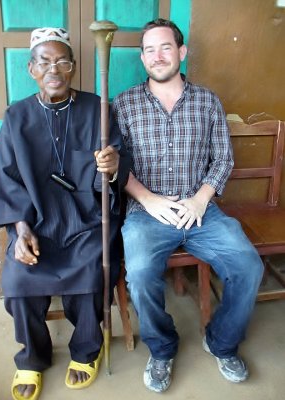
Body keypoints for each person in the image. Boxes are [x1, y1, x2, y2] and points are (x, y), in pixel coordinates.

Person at [112, 18, 264, 393]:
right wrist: (149, 200)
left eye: (165, 47)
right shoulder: (125, 103)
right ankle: (162, 348)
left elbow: (223, 159)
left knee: (248, 265)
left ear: (181, 52)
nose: (157, 56)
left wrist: (199, 200)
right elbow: (116, 162)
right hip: (147, 212)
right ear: (142, 57)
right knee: (142, 272)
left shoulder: (208, 101)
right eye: (149, 49)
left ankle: (222, 341)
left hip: (200, 209)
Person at [0, 27, 131, 400]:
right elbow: (5, 179)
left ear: (73, 68)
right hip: (36, 222)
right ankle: (32, 358)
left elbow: (115, 171)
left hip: (87, 221)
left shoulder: (99, 109)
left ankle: (86, 351)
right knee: (18, 279)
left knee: (90, 268)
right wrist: (19, 230)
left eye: (62, 61)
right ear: (31, 69)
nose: (54, 69)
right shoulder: (16, 117)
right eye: (45, 62)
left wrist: (112, 165)